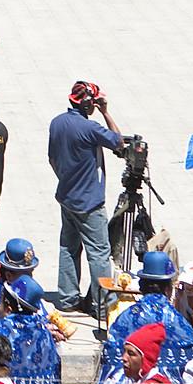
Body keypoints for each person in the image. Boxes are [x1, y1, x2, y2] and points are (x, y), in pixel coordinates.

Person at [48, 80, 122, 316]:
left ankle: (68, 299)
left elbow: (52, 158)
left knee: (68, 247)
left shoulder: (57, 122)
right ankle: (102, 305)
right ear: (89, 102)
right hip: (89, 203)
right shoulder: (90, 128)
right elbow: (118, 141)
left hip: (67, 196)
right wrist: (106, 111)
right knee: (99, 252)